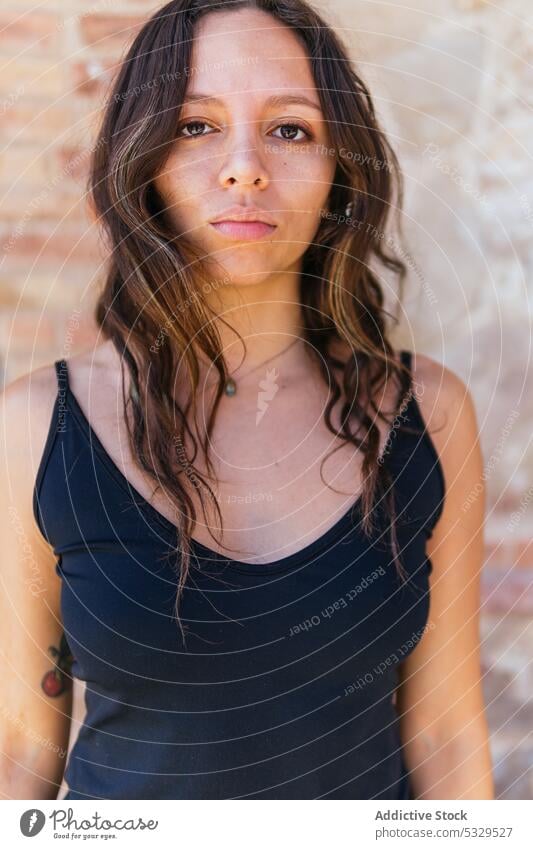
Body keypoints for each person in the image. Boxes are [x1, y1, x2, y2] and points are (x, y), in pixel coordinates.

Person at [0, 0, 494, 800]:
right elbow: (22, 741)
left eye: (290, 128)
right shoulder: (35, 427)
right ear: (143, 161)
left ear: (341, 170)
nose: (243, 166)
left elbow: (443, 730)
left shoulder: (427, 415)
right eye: (195, 125)